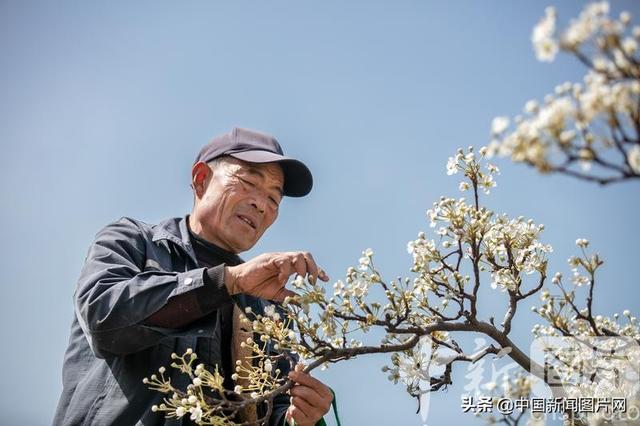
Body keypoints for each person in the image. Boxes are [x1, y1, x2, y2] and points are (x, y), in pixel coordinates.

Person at [54, 128, 334, 425]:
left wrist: (298, 417)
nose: (261, 204)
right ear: (201, 180)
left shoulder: (267, 307)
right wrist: (226, 281)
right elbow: (103, 318)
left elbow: (270, 407)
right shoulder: (133, 242)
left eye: (274, 200)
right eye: (249, 182)